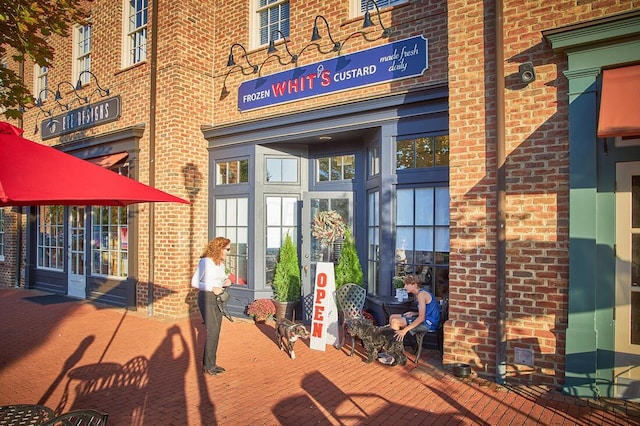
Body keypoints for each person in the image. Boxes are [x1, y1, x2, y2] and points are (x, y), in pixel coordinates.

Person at [191, 237, 232, 376]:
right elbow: (195, 282)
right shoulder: (205, 261)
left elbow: (219, 281)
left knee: (216, 331)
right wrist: (212, 288)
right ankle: (208, 366)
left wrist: (225, 282)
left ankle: (211, 363)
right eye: (227, 249)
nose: (228, 252)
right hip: (206, 298)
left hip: (218, 299)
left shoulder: (220, 263)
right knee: (212, 331)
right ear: (219, 248)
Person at [389, 274, 440, 342]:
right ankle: (392, 342)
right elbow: (425, 312)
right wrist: (414, 313)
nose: (405, 287)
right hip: (426, 319)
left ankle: (394, 347)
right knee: (392, 316)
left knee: (395, 321)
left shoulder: (421, 295)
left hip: (429, 323)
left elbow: (421, 318)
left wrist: (404, 330)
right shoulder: (419, 294)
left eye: (407, 284)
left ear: (415, 285)